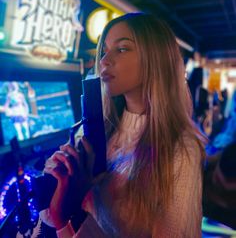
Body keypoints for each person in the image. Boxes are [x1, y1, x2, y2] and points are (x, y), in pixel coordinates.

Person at [42, 13, 206, 237]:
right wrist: (57, 183)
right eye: (104, 51)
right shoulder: (94, 128)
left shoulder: (180, 147)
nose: (104, 61)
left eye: (122, 49)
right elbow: (53, 216)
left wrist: (72, 215)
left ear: (155, 58)